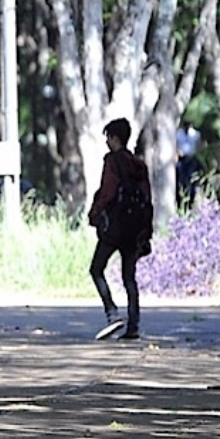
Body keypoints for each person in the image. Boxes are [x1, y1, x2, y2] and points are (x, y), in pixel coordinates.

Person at [86, 118, 150, 341]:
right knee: (129, 278)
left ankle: (112, 313)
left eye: (108, 137)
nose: (106, 142)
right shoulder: (139, 164)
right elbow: (147, 198)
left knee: (96, 268)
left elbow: (108, 192)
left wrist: (95, 213)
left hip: (114, 228)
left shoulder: (112, 162)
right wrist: (145, 230)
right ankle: (133, 326)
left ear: (115, 138)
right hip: (134, 230)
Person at [177, 122, 202, 207]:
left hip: (192, 159)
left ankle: (190, 201)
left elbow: (199, 147)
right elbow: (176, 145)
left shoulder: (196, 134)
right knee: (181, 180)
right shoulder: (178, 134)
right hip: (181, 159)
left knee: (191, 180)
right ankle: (181, 200)